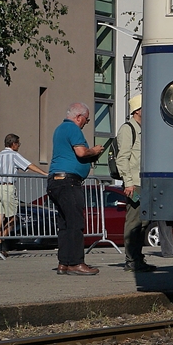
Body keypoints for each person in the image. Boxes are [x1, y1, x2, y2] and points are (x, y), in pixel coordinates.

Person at [47, 102, 106, 275]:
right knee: (75, 223)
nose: (85, 123)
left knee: (64, 224)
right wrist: (94, 151)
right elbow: (81, 152)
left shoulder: (59, 129)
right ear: (78, 116)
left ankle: (63, 263)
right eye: (86, 120)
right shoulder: (73, 129)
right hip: (69, 182)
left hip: (55, 181)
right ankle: (76, 262)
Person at [0, 133, 49, 246]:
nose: (19, 146)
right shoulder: (13, 155)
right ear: (13, 144)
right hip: (7, 187)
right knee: (13, 219)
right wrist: (44, 173)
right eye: (18, 144)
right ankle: (1, 240)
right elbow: (29, 165)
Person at [116, 95, 155, 272]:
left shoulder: (143, 129)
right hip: (135, 183)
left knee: (144, 222)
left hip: (144, 183)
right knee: (134, 222)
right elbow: (122, 158)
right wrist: (128, 183)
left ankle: (138, 258)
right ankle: (131, 260)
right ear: (138, 110)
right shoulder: (128, 129)